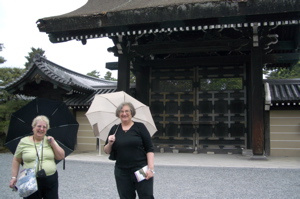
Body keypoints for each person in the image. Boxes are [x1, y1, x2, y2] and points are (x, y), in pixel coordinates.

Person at [104, 102, 155, 199]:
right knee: (126, 197)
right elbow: (106, 151)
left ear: (131, 113)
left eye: (127, 111)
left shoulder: (140, 127)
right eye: (121, 111)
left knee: (146, 196)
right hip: (122, 171)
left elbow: (149, 148)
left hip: (140, 168)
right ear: (118, 114)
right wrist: (110, 143)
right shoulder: (115, 129)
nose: (124, 113)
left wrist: (151, 169)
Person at [9, 115, 65, 199]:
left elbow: (61, 156)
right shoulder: (24, 141)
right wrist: (14, 177)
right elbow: (16, 160)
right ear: (33, 128)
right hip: (30, 179)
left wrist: (53, 143)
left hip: (50, 179)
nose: (41, 129)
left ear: (46, 130)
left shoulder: (50, 140)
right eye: (39, 126)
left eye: (44, 127)